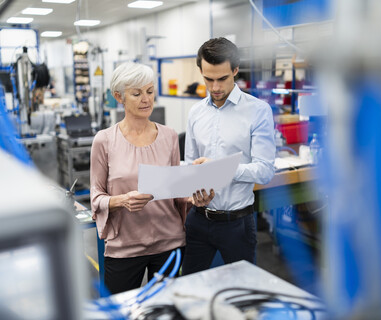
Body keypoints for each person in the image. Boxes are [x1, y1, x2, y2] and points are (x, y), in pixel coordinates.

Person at [90, 62, 196, 294]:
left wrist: (194, 195)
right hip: (125, 247)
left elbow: (176, 192)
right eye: (136, 94)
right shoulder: (104, 140)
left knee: (167, 310)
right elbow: (96, 198)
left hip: (170, 243)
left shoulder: (168, 136)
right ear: (119, 97)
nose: (146, 99)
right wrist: (122, 200)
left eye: (149, 91)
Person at [182, 37, 276, 275]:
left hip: (237, 224)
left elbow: (265, 171)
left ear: (235, 70)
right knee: (190, 290)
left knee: (243, 294)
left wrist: (222, 169)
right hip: (198, 220)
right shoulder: (195, 113)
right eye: (208, 79)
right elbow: (190, 164)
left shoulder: (258, 111)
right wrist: (192, 192)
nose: (215, 87)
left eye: (222, 79)